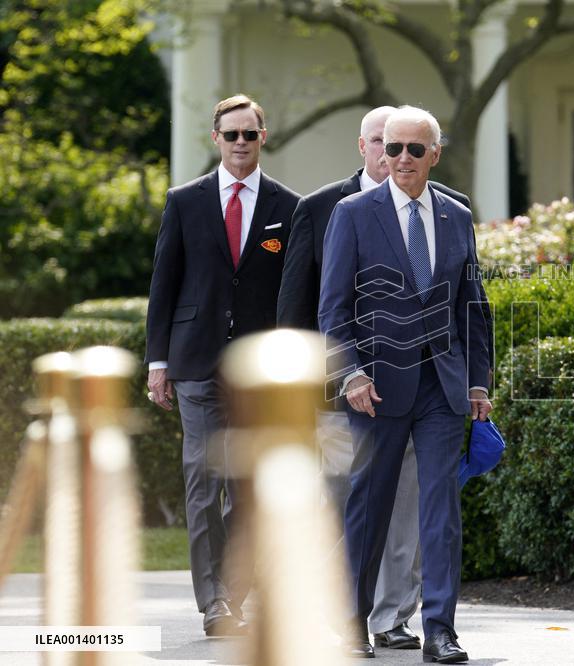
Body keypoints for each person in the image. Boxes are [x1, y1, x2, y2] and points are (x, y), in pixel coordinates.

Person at [277, 105, 472, 650]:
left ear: (434, 154)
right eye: (393, 147)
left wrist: (477, 381)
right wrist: (350, 375)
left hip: (441, 387)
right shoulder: (352, 213)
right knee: (368, 506)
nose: (402, 158)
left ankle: (440, 630)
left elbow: (470, 306)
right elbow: (333, 307)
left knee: (440, 510)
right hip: (375, 387)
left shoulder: (457, 214)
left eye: (415, 149)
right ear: (378, 150)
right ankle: (350, 622)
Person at [144, 94, 300, 637]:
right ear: (216, 139)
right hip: (196, 362)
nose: (239, 143)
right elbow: (164, 284)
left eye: (249, 134)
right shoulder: (184, 201)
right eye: (230, 134)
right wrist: (158, 361)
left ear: (263, 138)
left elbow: (294, 291)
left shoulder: (289, 206)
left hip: (260, 369)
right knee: (203, 477)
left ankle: (233, 593)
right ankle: (213, 601)